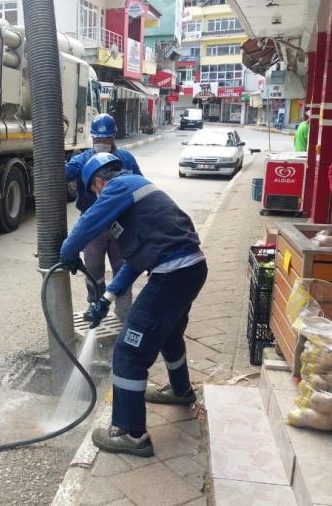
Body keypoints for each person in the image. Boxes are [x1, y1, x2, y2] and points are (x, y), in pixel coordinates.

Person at [60, 153, 208, 457]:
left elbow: (87, 223)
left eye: (94, 192)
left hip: (173, 273)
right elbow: (135, 261)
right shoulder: (136, 196)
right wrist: (106, 299)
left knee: (128, 350)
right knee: (168, 333)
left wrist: (68, 251)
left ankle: (130, 433)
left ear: (99, 182)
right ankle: (181, 391)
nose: (97, 197)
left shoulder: (119, 186)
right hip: (189, 268)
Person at [65, 114, 142, 320]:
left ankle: (124, 311)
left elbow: (138, 184)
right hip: (93, 226)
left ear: (114, 136)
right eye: (98, 140)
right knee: (93, 270)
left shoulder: (126, 159)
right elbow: (65, 173)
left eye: (106, 139)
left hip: (120, 223)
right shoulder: (82, 160)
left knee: (122, 268)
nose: (102, 143)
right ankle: (96, 306)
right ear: (92, 137)